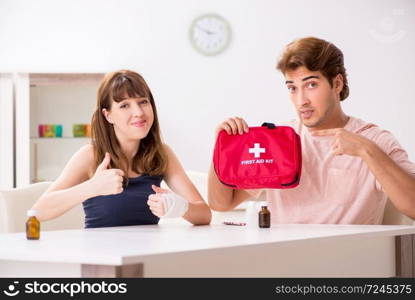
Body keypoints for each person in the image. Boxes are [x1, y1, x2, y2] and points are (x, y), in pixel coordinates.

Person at [208, 37, 415, 224]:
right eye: (292, 88)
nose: (301, 101)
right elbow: (222, 203)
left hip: (347, 260)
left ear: (337, 83)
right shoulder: (278, 141)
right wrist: (222, 147)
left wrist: (366, 151)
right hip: (283, 257)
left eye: (311, 85)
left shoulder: (374, 139)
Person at [33, 70, 211, 228]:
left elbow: (204, 214)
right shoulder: (90, 156)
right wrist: (92, 187)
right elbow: (38, 211)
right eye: (124, 105)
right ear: (108, 115)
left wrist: (178, 206)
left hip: (147, 259)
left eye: (143, 102)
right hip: (101, 260)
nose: (139, 113)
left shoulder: (161, 154)